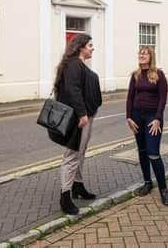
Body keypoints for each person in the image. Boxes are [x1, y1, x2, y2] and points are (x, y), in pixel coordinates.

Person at [50, 34, 102, 215]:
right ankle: (65, 197)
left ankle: (78, 186)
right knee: (72, 155)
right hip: (79, 119)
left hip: (86, 116)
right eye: (90, 45)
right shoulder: (74, 65)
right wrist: (82, 114)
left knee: (80, 153)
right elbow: (73, 90)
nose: (92, 48)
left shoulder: (78, 64)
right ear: (81, 47)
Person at [126, 46, 168, 205]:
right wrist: (129, 117)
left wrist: (158, 118)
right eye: (140, 53)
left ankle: (164, 189)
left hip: (153, 117)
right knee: (142, 151)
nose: (141, 55)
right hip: (137, 116)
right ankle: (147, 182)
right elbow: (130, 97)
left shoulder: (158, 74)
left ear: (151, 57)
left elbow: (163, 98)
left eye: (145, 53)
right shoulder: (135, 75)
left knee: (153, 153)